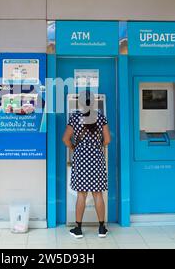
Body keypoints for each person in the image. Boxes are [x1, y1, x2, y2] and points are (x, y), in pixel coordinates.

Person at [62, 91, 111, 239]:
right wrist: (97, 146)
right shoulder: (100, 117)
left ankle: (78, 229)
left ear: (81, 103)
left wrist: (74, 148)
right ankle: (102, 228)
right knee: (98, 194)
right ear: (93, 103)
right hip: (96, 158)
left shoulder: (75, 117)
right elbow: (107, 139)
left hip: (81, 159)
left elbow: (65, 139)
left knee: (81, 194)